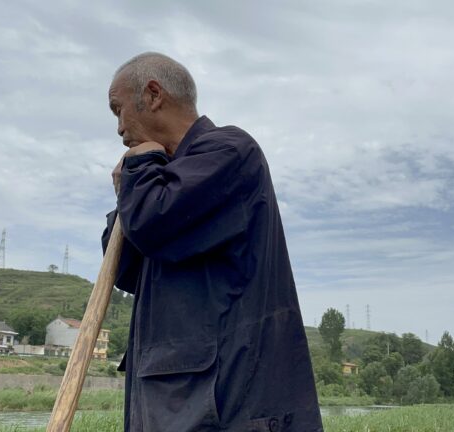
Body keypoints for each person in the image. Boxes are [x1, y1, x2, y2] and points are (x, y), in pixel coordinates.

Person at [102, 52, 322, 432]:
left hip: (221, 405)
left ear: (153, 95)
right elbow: (123, 271)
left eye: (118, 110)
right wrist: (133, 187)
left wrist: (138, 172)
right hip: (174, 402)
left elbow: (152, 224)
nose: (119, 128)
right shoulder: (160, 181)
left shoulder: (230, 152)